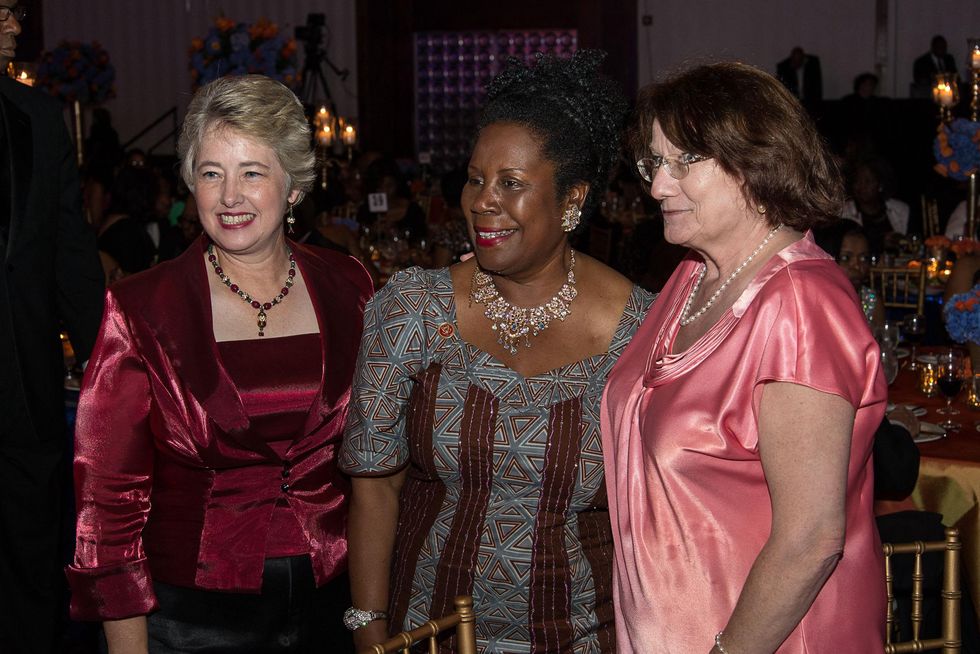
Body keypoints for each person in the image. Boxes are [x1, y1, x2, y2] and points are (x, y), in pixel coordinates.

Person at [341, 50, 654, 653]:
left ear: (571, 199)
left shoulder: (640, 331)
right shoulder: (413, 311)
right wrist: (370, 630)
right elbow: (375, 487)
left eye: (511, 183)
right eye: (475, 178)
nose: (482, 201)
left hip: (584, 636)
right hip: (429, 631)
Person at [67, 75, 373, 653]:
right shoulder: (140, 308)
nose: (230, 196)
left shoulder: (350, 286)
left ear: (293, 185)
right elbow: (106, 502)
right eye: (211, 174)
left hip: (334, 605)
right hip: (190, 620)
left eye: (251, 173)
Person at [602, 62, 887, 653]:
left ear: (756, 162)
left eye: (684, 162)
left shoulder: (800, 304)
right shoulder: (691, 278)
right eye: (654, 163)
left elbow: (810, 540)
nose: (658, 187)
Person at [0, 5, 106, 654]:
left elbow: (72, 257)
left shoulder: (38, 118)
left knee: (31, 572)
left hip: (23, 389)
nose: (15, 27)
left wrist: (110, 365)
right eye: (3, 11)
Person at [814, 221, 885, 329]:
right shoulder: (814, 302)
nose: (857, 266)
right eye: (846, 258)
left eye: (864, 258)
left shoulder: (872, 303)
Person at [841, 158, 909, 254]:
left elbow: (911, 243)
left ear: (880, 185)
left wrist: (900, 240)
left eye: (867, 181)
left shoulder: (900, 210)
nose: (861, 186)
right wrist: (880, 243)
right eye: (857, 181)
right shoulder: (844, 212)